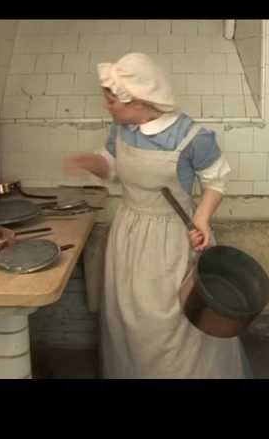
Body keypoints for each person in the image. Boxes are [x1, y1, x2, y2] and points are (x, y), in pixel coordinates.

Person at [63, 52, 251, 379]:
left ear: (138, 101)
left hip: (171, 240)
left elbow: (216, 180)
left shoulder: (192, 137)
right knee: (128, 320)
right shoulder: (122, 130)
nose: (107, 106)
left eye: (112, 101)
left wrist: (203, 219)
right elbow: (111, 167)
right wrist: (91, 163)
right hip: (129, 235)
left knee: (170, 323)